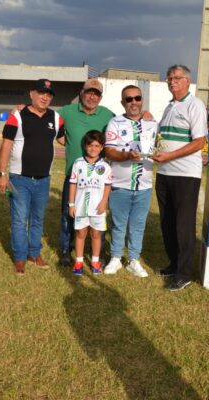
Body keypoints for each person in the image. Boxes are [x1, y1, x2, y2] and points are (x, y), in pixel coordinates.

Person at [0, 79, 65, 274]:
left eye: (49, 94)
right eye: (41, 92)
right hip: (19, 179)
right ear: (31, 94)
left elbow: (64, 140)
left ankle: (34, 253)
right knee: (19, 219)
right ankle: (20, 258)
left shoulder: (55, 117)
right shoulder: (17, 116)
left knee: (37, 219)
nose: (45, 97)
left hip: (44, 180)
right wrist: (2, 174)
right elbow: (6, 145)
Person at [152, 65, 207, 291]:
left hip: (184, 174)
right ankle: (174, 264)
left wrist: (170, 156)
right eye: (169, 78)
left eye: (177, 78)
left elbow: (199, 142)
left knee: (183, 225)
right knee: (167, 223)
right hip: (165, 173)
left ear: (187, 81)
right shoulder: (169, 106)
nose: (172, 81)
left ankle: (184, 273)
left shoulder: (195, 105)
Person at [57, 79, 114, 267]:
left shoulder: (108, 115)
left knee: (99, 213)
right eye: (89, 92)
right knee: (69, 214)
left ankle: (99, 253)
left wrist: (144, 114)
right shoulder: (67, 111)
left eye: (96, 94)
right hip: (74, 176)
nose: (92, 96)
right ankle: (66, 250)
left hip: (98, 179)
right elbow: (46, 117)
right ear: (82, 93)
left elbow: (125, 123)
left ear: (100, 97)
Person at [103, 85, 158, 278]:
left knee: (138, 224)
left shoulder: (153, 123)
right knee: (118, 224)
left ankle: (134, 259)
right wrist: (126, 156)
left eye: (137, 98)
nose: (133, 102)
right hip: (120, 184)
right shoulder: (115, 123)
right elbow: (108, 151)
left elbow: (160, 147)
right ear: (122, 103)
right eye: (129, 99)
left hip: (144, 185)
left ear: (142, 100)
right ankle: (116, 258)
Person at [68, 130, 112, 276]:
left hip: (97, 207)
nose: (93, 149)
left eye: (97, 146)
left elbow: (107, 185)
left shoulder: (105, 166)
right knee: (80, 233)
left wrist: (104, 202)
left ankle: (94, 261)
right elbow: (73, 184)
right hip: (80, 206)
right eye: (90, 145)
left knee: (96, 234)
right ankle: (79, 262)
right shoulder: (78, 163)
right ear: (85, 146)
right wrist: (71, 204)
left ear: (102, 147)